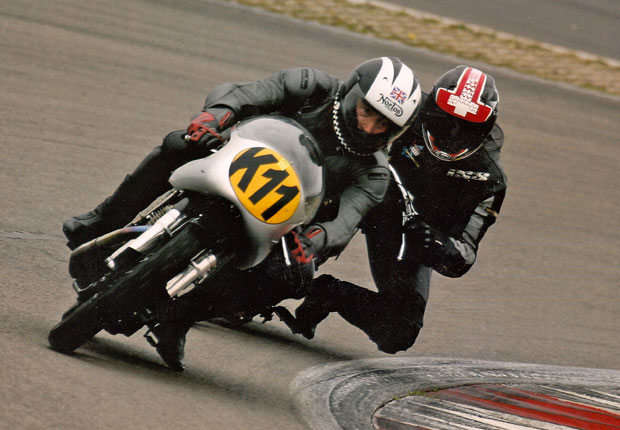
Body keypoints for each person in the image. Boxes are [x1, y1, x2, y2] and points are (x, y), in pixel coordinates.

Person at [62, 57, 423, 370]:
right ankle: (101, 221)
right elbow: (246, 93)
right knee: (178, 143)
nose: (371, 128)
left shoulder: (375, 172)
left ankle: (179, 317)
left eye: (384, 126)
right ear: (351, 94)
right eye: (367, 113)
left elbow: (348, 218)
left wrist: (315, 241)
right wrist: (215, 115)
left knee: (292, 277)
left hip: (285, 224)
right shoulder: (311, 86)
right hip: (237, 161)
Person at [291, 65, 507, 354]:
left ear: (484, 130)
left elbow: (465, 255)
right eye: (445, 123)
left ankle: (331, 294)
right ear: (431, 111)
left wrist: (439, 246)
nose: (452, 136)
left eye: (465, 130)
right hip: (352, 191)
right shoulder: (402, 114)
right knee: (291, 260)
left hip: (405, 233)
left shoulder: (489, 181)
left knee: (399, 331)